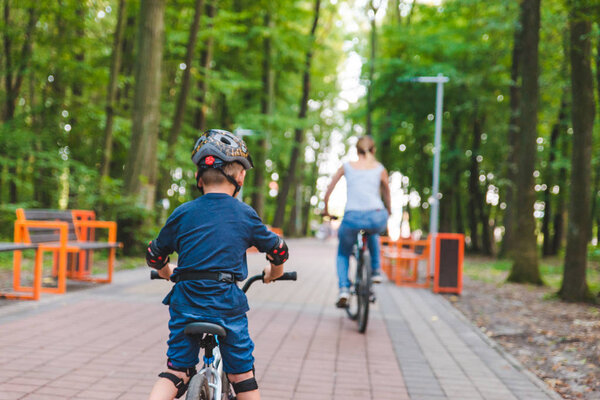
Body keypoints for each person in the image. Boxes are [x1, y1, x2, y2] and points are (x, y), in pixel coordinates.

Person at [147, 129, 289, 400]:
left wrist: (168, 272)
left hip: (186, 301)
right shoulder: (245, 214)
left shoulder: (182, 213)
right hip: (226, 303)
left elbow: (154, 256)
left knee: (176, 371)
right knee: (242, 376)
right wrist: (273, 273)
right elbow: (279, 250)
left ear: (199, 178)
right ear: (241, 177)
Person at [323, 136, 391, 308]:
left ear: (356, 150)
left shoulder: (347, 167)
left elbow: (328, 190)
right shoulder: (379, 168)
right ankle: (375, 271)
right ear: (373, 150)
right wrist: (388, 211)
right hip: (376, 215)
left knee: (343, 253)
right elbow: (387, 192)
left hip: (352, 217)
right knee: (373, 232)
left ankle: (344, 289)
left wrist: (326, 210)